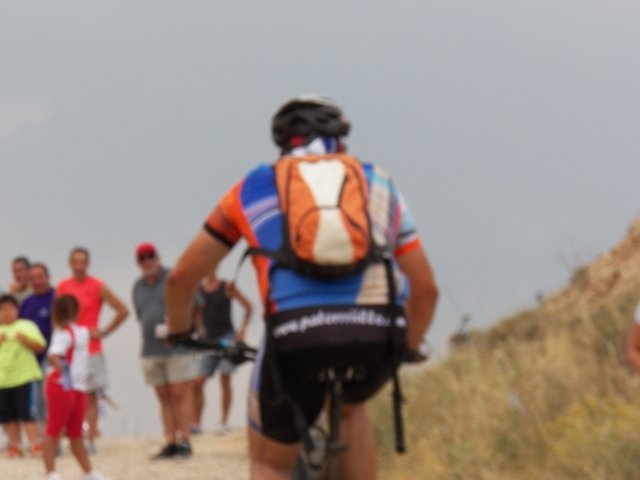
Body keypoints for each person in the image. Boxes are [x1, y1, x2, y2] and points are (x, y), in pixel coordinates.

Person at [165, 95, 439, 479]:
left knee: (269, 460)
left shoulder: (253, 186)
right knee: (351, 407)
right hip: (375, 334)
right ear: (341, 141)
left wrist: (179, 332)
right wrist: (407, 347)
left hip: (295, 336)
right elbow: (426, 289)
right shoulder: (377, 181)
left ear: (282, 143)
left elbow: (181, 278)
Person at [56, 247, 129, 453]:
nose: (79, 265)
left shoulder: (97, 285)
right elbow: (56, 315)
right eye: (75, 261)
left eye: (83, 261)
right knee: (66, 395)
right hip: (69, 349)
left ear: (88, 264)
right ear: (70, 263)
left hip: (91, 348)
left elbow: (123, 310)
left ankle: (89, 440)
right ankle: (65, 438)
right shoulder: (63, 287)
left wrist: (104, 331)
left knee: (90, 396)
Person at [132, 242, 199, 459]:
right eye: (142, 258)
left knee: (179, 394)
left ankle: (185, 439)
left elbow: (195, 302)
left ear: (157, 257)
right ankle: (170, 441)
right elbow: (140, 314)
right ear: (138, 262)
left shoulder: (173, 278)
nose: (147, 261)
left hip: (177, 347)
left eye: (150, 256)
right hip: (151, 349)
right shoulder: (138, 286)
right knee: (163, 397)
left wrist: (182, 324)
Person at [43, 295, 104, 480]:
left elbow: (90, 334)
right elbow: (54, 356)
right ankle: (51, 472)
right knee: (54, 429)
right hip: (62, 386)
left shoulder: (78, 331)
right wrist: (66, 374)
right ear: (76, 311)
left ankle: (88, 472)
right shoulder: (63, 333)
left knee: (76, 431)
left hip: (77, 387)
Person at [191, 271, 253, 434]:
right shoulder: (198, 290)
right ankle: (196, 424)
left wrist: (243, 329)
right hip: (208, 341)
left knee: (225, 378)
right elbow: (195, 314)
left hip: (227, 338)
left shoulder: (227, 287)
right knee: (197, 383)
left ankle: (224, 421)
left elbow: (248, 306)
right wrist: (198, 333)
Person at [0, 294, 47, 458]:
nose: (6, 312)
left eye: (10, 308)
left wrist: (25, 340)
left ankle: (35, 444)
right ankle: (15, 446)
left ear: (17, 310)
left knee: (27, 413)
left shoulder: (26, 326)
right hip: (2, 380)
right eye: (2, 309)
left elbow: (41, 346)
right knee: (7, 416)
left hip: (24, 378)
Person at [19, 262, 56, 425]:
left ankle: (54, 430)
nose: (37, 282)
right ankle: (42, 431)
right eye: (33, 278)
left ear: (48, 277)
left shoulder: (57, 297)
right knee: (35, 398)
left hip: (52, 356)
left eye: (40, 277)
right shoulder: (26, 303)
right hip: (30, 359)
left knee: (48, 394)